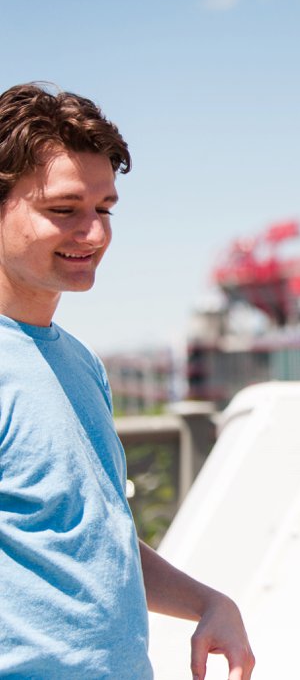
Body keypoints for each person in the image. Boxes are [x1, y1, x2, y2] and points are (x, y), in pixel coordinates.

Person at [0, 82, 255, 679]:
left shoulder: (78, 362)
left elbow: (88, 537)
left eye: (104, 209)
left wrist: (207, 602)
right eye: (64, 210)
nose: (94, 233)